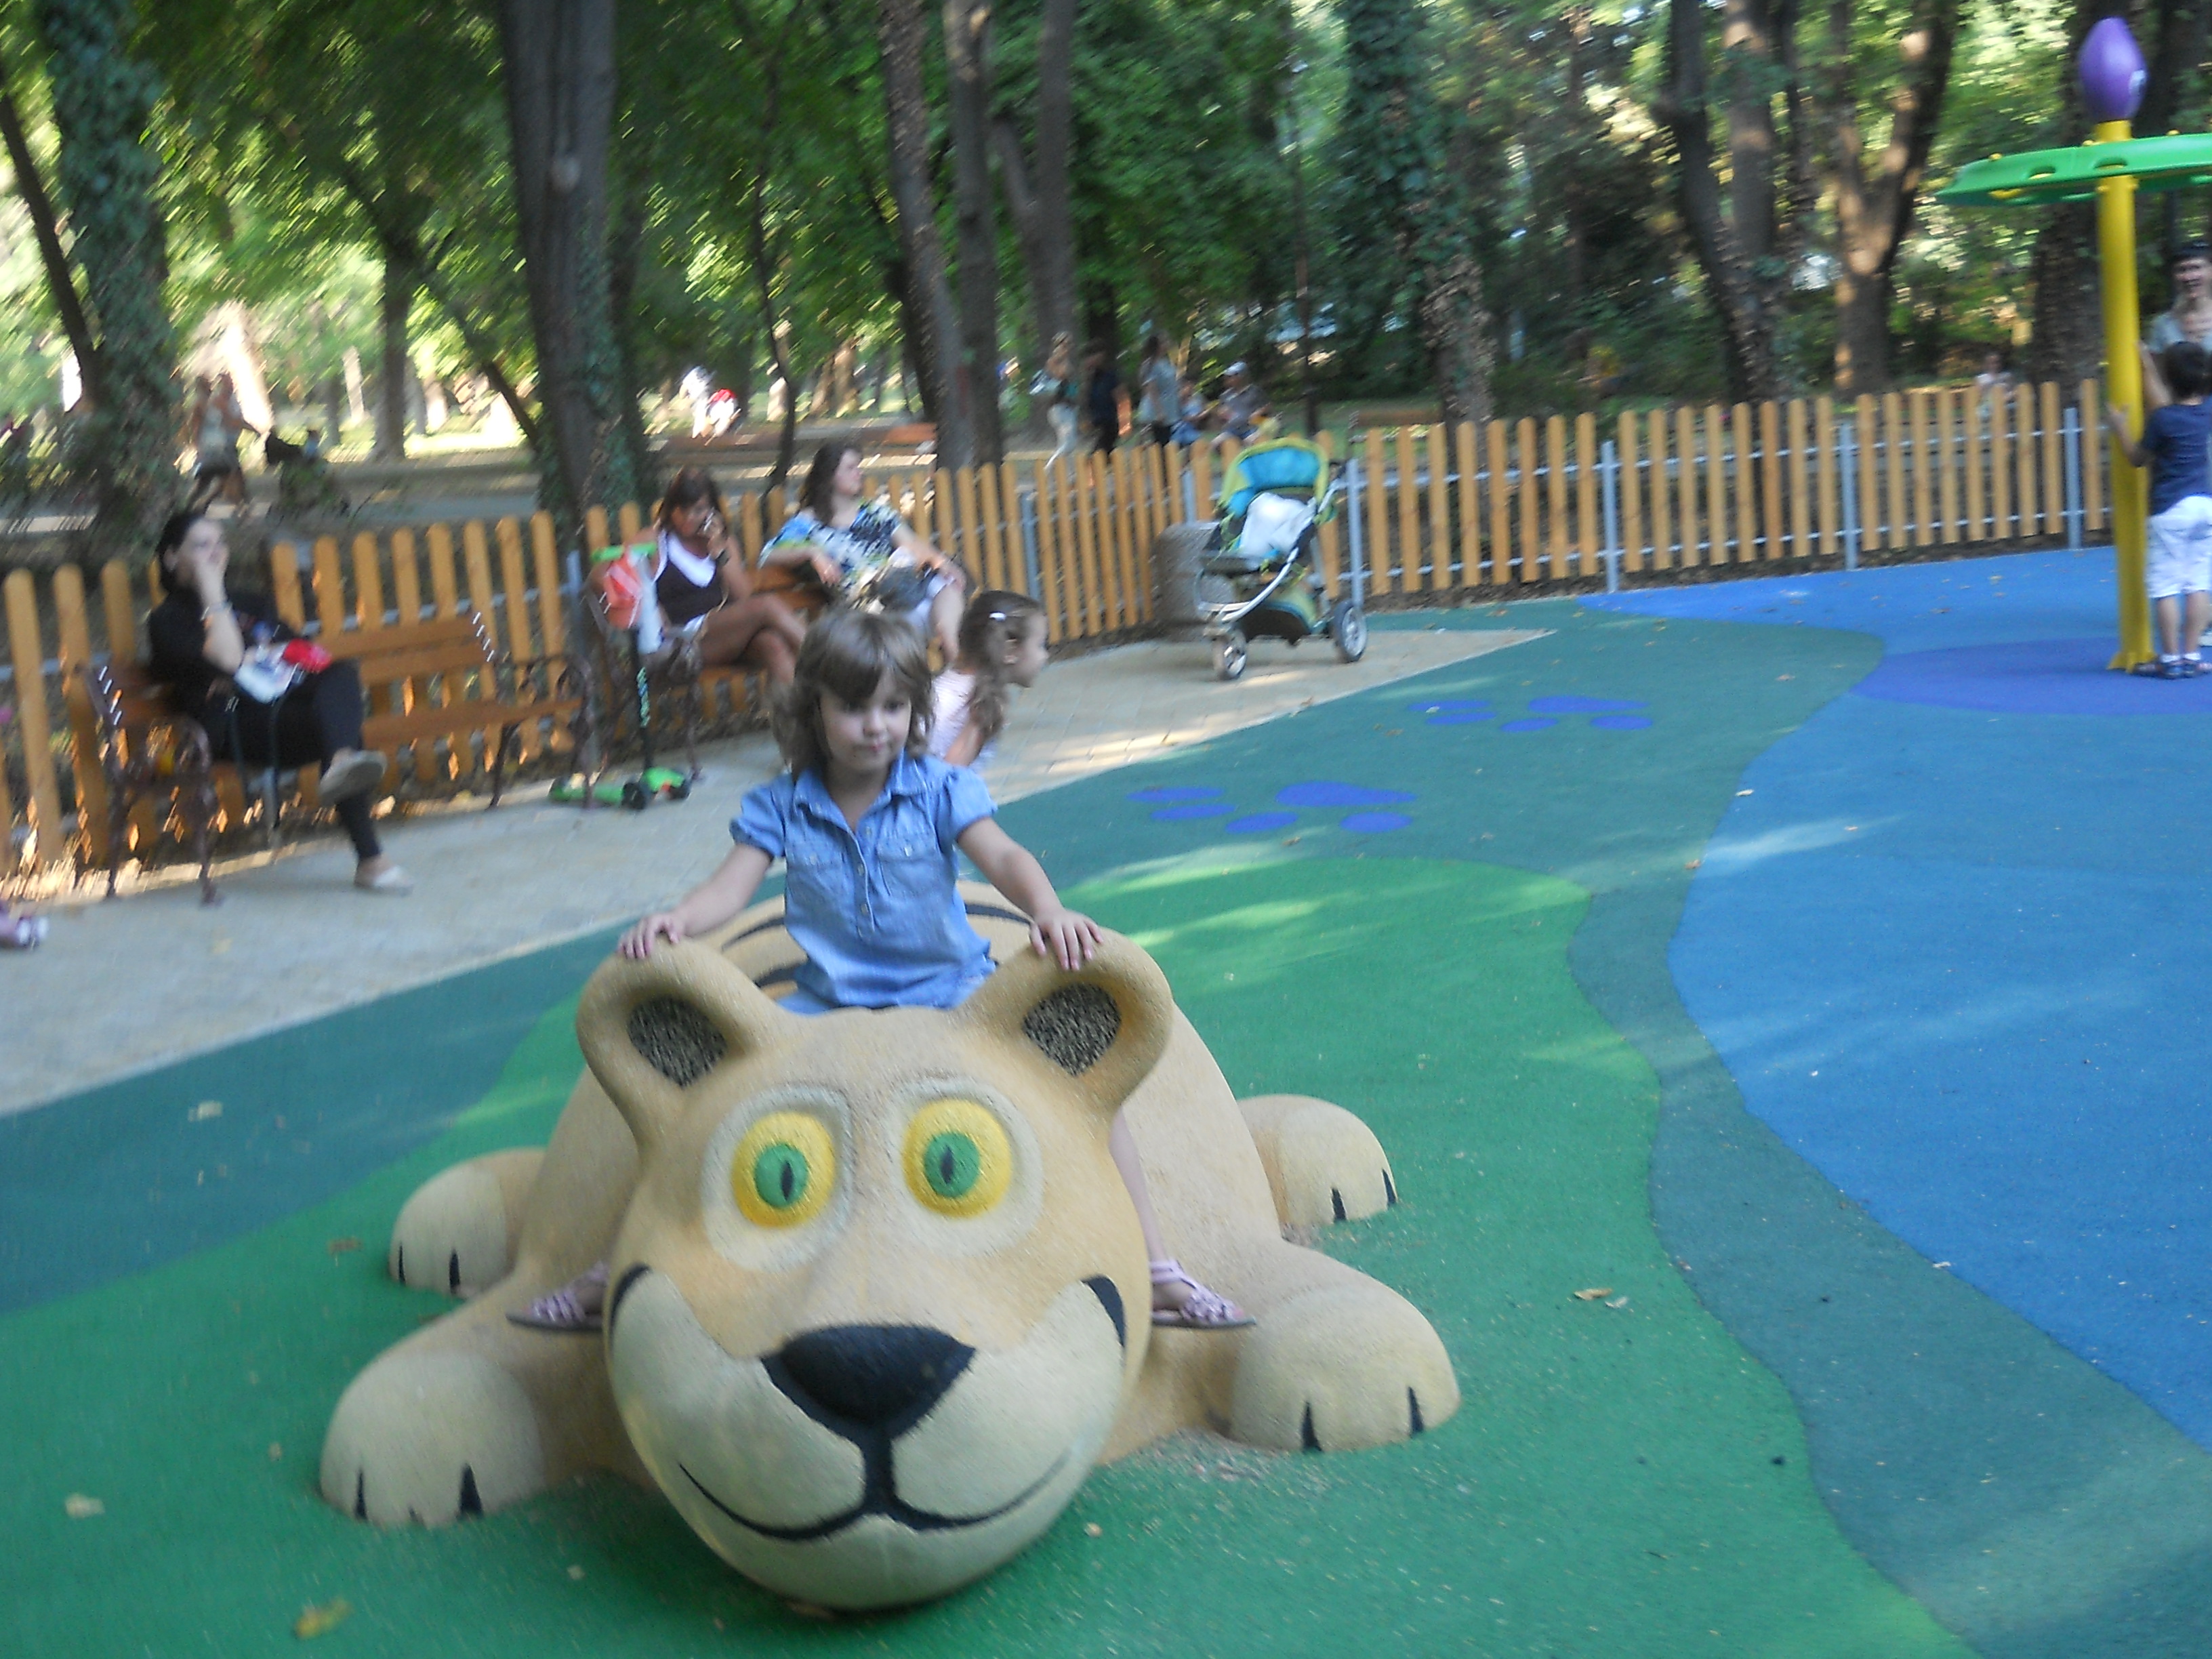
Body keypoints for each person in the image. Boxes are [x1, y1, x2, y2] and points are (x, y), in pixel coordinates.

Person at [512, 609, 1249, 1334]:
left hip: (952, 990)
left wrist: (1047, 910)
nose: (876, 726)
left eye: (894, 707)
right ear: (814, 709)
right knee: (705, 1099)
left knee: (1084, 1095)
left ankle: (1156, 1267)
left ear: (915, 711)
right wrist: (677, 918)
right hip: (828, 1004)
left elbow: (1003, 856)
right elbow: (729, 889)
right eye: (855, 707)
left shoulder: (938, 789)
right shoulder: (783, 806)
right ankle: (610, 1274)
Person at [146, 510, 411, 892]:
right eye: (202, 546)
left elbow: (302, 654)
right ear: (172, 557)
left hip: (282, 712)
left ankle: (341, 763)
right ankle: (370, 859)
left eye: (220, 543)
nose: (216, 553)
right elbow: (229, 659)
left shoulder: (252, 603)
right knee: (342, 731)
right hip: (233, 729)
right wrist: (216, 599)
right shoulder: (167, 620)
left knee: (341, 676)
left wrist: (251, 659)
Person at [760, 442, 968, 661]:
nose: (859, 473)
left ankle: (952, 655)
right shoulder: (806, 524)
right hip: (871, 612)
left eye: (858, 467)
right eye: (850, 468)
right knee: (930, 610)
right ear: (829, 476)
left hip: (905, 591)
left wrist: (943, 563)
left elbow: (911, 544)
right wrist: (811, 552)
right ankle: (956, 668)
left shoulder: (874, 511)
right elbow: (767, 557)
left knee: (947, 585)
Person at [639, 466, 804, 685]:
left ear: (712, 510)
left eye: (698, 510)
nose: (689, 518)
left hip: (726, 634)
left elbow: (743, 597)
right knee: (767, 605)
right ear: (671, 508)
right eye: (682, 510)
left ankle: (802, 706)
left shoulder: (724, 543)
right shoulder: (656, 540)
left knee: (772, 645)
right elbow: (608, 572)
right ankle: (834, 661)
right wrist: (652, 606)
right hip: (683, 644)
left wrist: (718, 552)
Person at [2107, 340, 2212, 678]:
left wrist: (2120, 427)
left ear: (2169, 381)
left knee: (2166, 585)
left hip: (2170, 508)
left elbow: (2137, 459)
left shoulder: (2163, 420)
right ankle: (2192, 656)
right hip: (2204, 505)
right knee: (2197, 583)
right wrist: (2147, 364)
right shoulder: (2207, 411)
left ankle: (2169, 659)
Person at [929, 590, 1048, 771]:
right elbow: (948, 776)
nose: (1045, 656)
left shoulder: (951, 684)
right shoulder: (983, 702)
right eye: (1039, 645)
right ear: (1010, 651)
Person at [184, 373, 258, 512]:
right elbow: (196, 427)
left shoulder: (213, 402)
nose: (210, 387)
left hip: (216, 444)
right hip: (213, 446)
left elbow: (228, 420)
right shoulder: (201, 404)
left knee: (211, 481)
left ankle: (193, 507)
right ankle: (242, 508)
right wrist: (197, 446)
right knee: (225, 477)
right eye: (208, 384)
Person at [1033, 334, 1078, 465]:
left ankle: (1063, 473)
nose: (1068, 347)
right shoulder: (1055, 361)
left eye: (1069, 344)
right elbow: (1060, 375)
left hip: (1067, 406)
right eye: (1065, 344)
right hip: (1059, 407)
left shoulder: (1064, 360)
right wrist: (1063, 358)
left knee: (1066, 444)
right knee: (1069, 444)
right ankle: (1048, 469)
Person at [1211, 361, 1272, 443]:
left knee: (1251, 442)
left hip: (1251, 428)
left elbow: (1268, 407)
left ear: (1242, 376)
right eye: (1228, 377)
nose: (1228, 380)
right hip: (1231, 429)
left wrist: (1259, 412)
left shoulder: (1255, 391)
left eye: (1231, 377)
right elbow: (1220, 416)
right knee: (1216, 443)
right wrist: (1221, 414)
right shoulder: (1225, 395)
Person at [1136, 335, 1180, 447]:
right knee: (1161, 441)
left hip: (1169, 406)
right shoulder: (1150, 364)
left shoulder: (1165, 362)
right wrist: (1159, 412)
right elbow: (1151, 390)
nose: (1167, 344)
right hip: (1158, 409)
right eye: (1164, 342)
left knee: (1166, 440)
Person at [1083, 343, 1122, 457]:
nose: (1088, 361)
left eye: (1091, 356)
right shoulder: (1091, 378)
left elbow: (1120, 397)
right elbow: (1088, 402)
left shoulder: (1110, 376)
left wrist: (1125, 421)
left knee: (1097, 456)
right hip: (1097, 423)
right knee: (1103, 455)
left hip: (1109, 422)